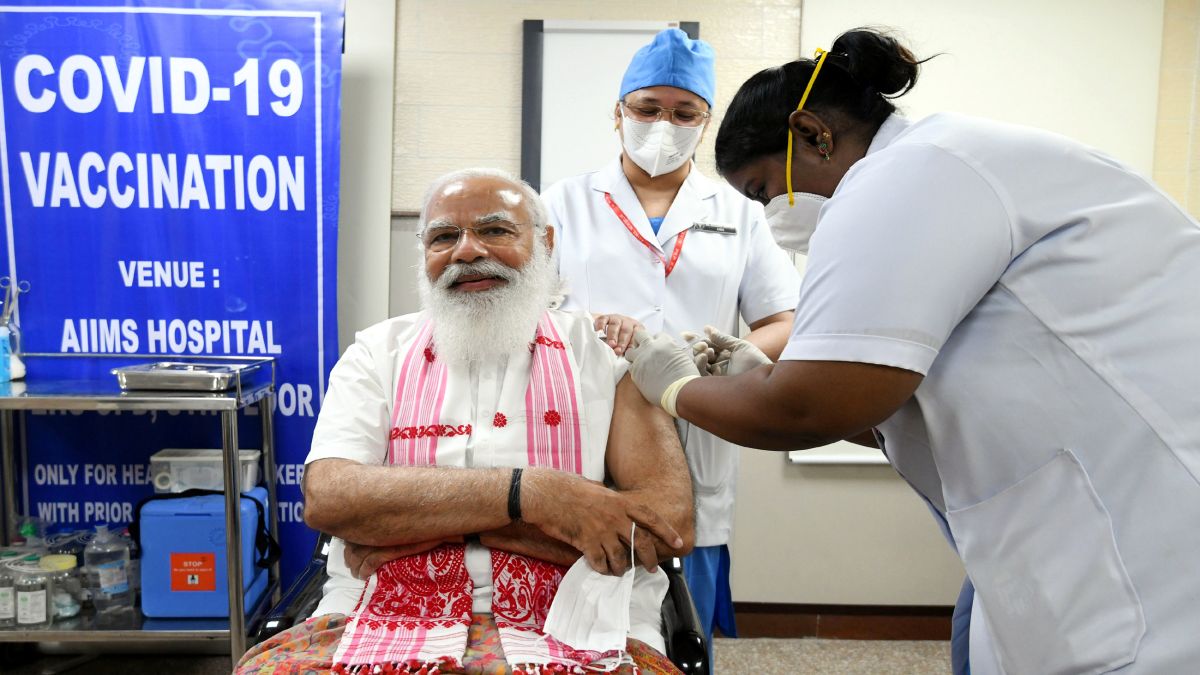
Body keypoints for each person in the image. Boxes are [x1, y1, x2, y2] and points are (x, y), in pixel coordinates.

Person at [621, 26, 1200, 675]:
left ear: (814, 133)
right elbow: (893, 406)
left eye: (763, 190)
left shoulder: (909, 174)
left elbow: (808, 409)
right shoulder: (933, 167)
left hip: (1140, 533)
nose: (772, 214)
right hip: (1048, 513)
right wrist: (756, 375)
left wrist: (673, 384)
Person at [237, 168, 694, 675]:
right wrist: (537, 495)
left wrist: (424, 524)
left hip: (581, 616)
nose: (467, 251)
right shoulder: (376, 353)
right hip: (379, 609)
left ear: (544, 242)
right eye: (444, 237)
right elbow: (330, 498)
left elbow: (666, 526)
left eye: (495, 230)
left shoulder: (611, 355)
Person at [541, 28, 801, 649]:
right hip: (587, 417)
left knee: (683, 604)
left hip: (697, 419)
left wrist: (727, 360)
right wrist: (593, 337)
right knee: (578, 608)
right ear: (619, 114)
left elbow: (784, 318)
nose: (665, 123)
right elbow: (529, 316)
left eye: (684, 112)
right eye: (648, 108)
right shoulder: (564, 204)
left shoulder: (738, 211)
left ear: (705, 122)